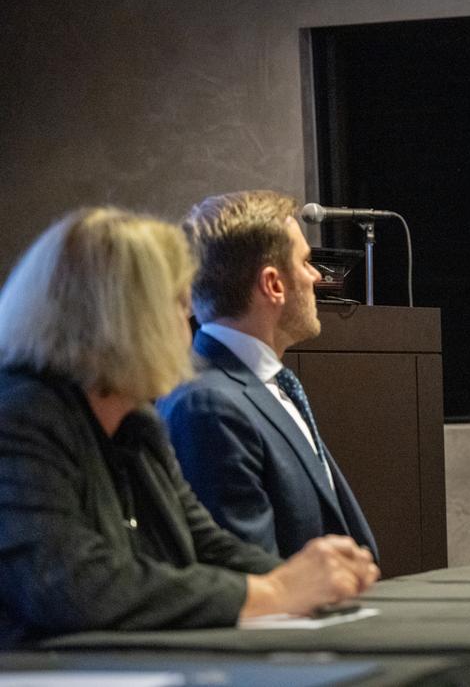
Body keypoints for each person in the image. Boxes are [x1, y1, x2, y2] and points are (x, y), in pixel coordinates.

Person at [0, 208, 379, 648]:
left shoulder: (135, 421)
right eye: (180, 305)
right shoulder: (20, 418)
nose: (189, 325)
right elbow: (72, 583)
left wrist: (306, 577)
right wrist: (273, 593)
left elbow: (204, 544)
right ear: (123, 320)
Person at [157, 191, 378, 561]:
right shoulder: (208, 404)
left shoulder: (269, 384)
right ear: (273, 285)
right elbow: (248, 575)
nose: (317, 276)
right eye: (306, 262)